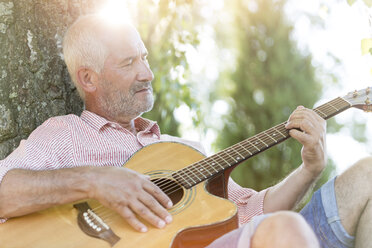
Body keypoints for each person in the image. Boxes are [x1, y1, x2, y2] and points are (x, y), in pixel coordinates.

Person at [0, 14, 370, 248]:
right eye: (129, 62)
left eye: (144, 57)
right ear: (88, 78)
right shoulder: (66, 134)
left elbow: (254, 212)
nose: (146, 73)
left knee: (366, 175)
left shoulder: (180, 150)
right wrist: (96, 181)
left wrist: (310, 168)